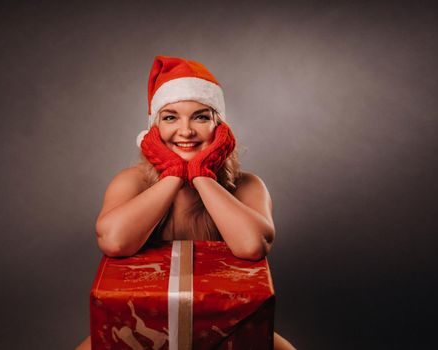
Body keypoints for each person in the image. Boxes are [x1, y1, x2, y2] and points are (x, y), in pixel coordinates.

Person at [76, 56, 295, 350]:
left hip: (228, 327)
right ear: (153, 130)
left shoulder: (248, 185)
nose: (186, 131)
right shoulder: (131, 181)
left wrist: (202, 175)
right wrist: (174, 174)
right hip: (141, 329)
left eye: (201, 117)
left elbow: (253, 245)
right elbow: (114, 241)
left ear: (221, 130)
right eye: (170, 117)